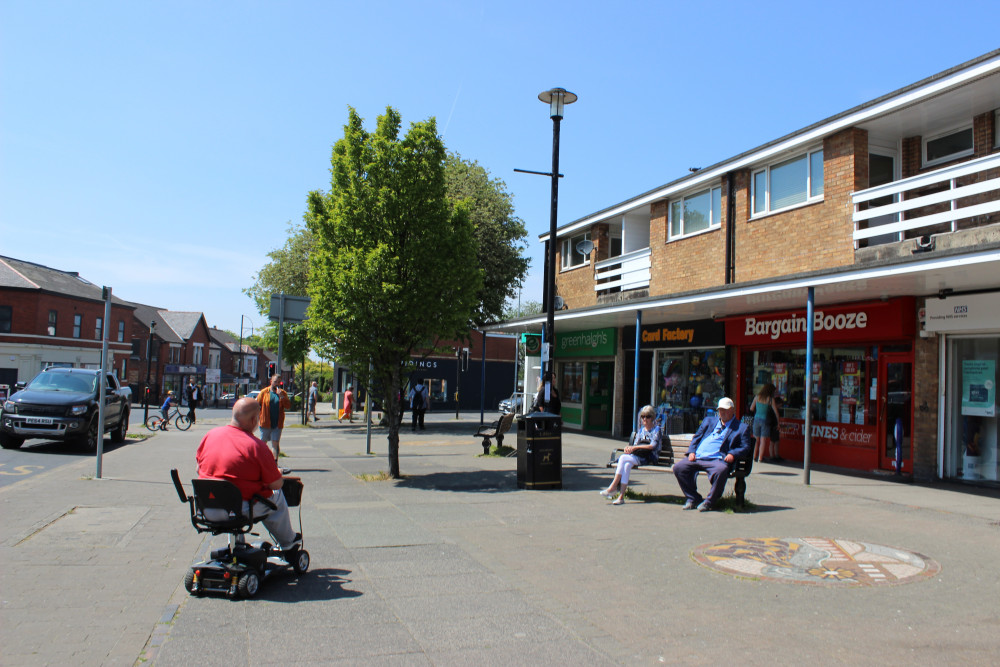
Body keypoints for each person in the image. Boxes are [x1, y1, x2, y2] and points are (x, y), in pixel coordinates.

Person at [195, 397, 301, 553]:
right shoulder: (256, 446)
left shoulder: (210, 435)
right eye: (257, 418)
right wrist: (276, 474)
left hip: (206, 507)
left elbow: (199, 469)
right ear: (253, 420)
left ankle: (238, 545)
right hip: (238, 510)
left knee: (235, 494)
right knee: (277, 496)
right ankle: (287, 542)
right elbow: (276, 484)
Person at [672, 397, 753, 512]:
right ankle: (693, 498)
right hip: (698, 457)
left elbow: (745, 447)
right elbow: (697, 437)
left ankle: (709, 502)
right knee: (679, 468)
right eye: (720, 410)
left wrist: (732, 454)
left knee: (721, 470)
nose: (722, 413)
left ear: (732, 410)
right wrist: (691, 452)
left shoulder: (741, 428)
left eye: (725, 410)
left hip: (717, 459)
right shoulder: (709, 421)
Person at [601, 405, 663, 505]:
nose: (645, 419)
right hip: (638, 456)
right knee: (626, 465)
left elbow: (652, 446)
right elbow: (635, 444)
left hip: (649, 457)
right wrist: (629, 448)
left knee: (622, 458)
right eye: (643, 416)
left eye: (647, 416)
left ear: (652, 417)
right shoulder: (642, 430)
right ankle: (621, 497)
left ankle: (613, 487)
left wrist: (635, 448)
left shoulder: (657, 430)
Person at [256, 375, 291, 473]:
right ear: (271, 381)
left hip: (277, 423)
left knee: (275, 444)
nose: (277, 384)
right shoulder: (264, 392)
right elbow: (257, 404)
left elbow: (288, 406)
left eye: (279, 382)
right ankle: (259, 463)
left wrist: (282, 397)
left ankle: (274, 463)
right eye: (275, 381)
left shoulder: (282, 393)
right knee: (262, 444)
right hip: (265, 423)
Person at [749, 383, 780, 463]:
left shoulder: (757, 397)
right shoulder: (770, 399)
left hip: (756, 419)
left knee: (756, 439)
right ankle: (760, 458)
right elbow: (776, 412)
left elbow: (751, 408)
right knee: (763, 440)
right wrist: (778, 423)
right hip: (765, 420)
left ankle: (754, 457)